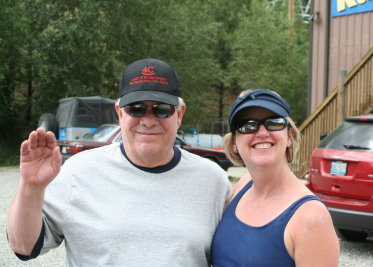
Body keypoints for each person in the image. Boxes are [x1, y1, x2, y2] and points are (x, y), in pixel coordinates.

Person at [7, 58, 232, 266]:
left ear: (180, 114)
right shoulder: (78, 171)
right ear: (120, 113)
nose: (148, 120)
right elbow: (23, 247)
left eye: (161, 109)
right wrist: (31, 187)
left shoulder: (213, 181)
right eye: (136, 108)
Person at [211, 89, 339, 266]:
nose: (262, 132)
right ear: (234, 143)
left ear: (289, 137)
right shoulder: (242, 186)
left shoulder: (311, 216)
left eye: (274, 122)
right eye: (247, 125)